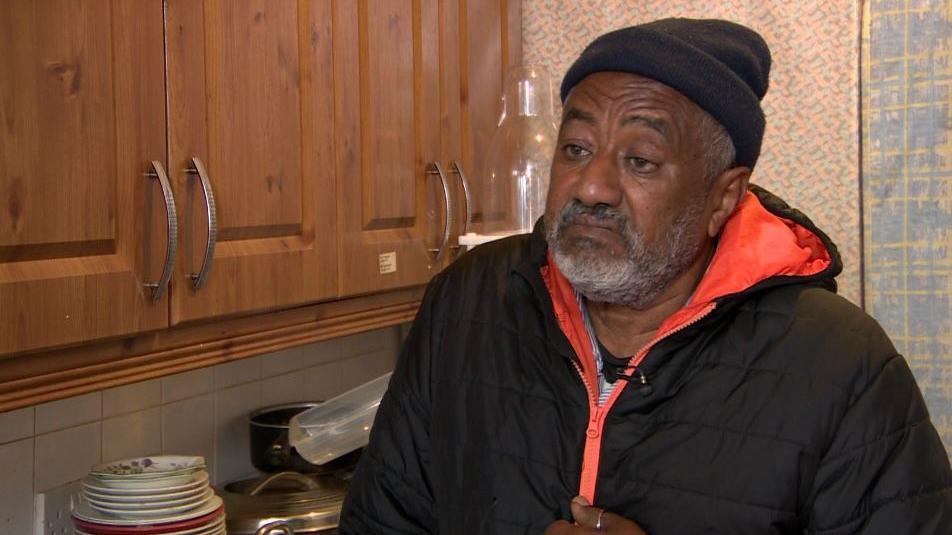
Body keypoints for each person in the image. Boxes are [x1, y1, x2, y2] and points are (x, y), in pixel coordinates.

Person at [338, 18, 952, 534]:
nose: (592, 186)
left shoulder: (844, 367)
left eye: (640, 161)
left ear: (723, 198)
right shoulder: (468, 304)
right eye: (576, 148)